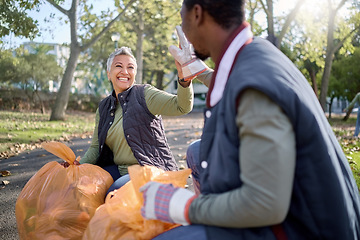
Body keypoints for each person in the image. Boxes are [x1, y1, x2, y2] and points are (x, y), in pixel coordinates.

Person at [140, 1, 360, 239]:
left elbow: (265, 203)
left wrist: (184, 206)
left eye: (182, 22)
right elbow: (231, 79)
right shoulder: (256, 54)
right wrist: (198, 70)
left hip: (299, 229)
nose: (184, 34)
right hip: (302, 210)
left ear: (197, 14)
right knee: (197, 152)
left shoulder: (255, 87)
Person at [79, 46, 196, 194]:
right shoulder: (103, 107)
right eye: (118, 66)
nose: (125, 71)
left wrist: (184, 80)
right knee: (81, 188)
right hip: (119, 170)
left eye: (130, 67)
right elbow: (95, 148)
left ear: (135, 73)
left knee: (115, 194)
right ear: (109, 74)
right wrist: (76, 166)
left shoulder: (144, 95)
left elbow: (182, 106)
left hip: (148, 169)